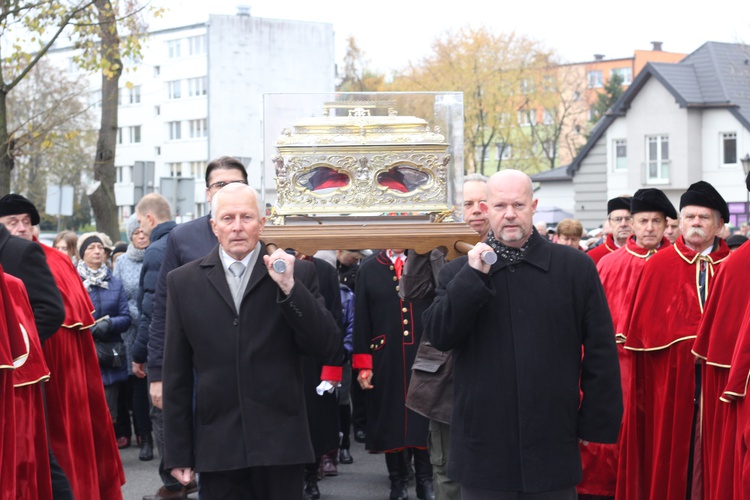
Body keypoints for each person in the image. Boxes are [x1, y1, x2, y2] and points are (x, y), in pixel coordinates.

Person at [423, 169, 622, 500]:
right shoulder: (458, 272)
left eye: (519, 204)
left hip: (552, 438)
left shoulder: (574, 267)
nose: (510, 214)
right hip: (483, 443)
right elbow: (440, 335)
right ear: (487, 210)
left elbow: (601, 349)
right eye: (500, 206)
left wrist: (594, 423)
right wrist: (473, 278)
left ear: (534, 206)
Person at [162, 182, 340, 499]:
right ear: (214, 226)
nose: (238, 227)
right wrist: (177, 452)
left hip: (281, 442)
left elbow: (326, 346)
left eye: (246, 217)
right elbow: (175, 375)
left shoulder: (296, 274)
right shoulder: (183, 282)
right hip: (218, 445)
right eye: (228, 218)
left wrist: (289, 288)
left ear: (262, 222)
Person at [0, 194, 126, 500]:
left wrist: (21, 351)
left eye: (26, 222)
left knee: (38, 450)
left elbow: (49, 311)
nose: (20, 227)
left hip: (30, 373)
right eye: (13, 221)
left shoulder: (27, 254)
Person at [618, 181, 731, 500]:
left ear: (719, 225)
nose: (695, 222)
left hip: (721, 389)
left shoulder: (734, 267)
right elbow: (643, 341)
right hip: (668, 389)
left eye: (704, 217)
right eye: (690, 216)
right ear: (679, 222)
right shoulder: (658, 267)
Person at [143, 158, 246, 500]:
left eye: (236, 183)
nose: (228, 190)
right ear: (207, 193)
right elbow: (163, 310)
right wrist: (157, 373)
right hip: (201, 371)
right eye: (220, 185)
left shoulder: (259, 231)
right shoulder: (183, 238)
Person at [578, 188, 676, 499]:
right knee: (614, 444)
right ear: (631, 223)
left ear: (665, 225)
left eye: (656, 221)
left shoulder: (677, 263)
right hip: (618, 373)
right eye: (643, 221)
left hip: (663, 374)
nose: (649, 228)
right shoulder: (608, 265)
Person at [405, 173, 491, 500]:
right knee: (447, 470)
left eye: (484, 202)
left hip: (491, 368)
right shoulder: (438, 247)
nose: (477, 210)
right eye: (468, 203)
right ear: (456, 209)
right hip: (444, 376)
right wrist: (424, 243)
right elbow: (411, 292)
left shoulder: (507, 247)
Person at [353, 246, 434, 500]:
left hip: (423, 352)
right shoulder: (368, 266)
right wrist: (364, 364)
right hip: (385, 356)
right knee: (391, 419)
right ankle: (397, 482)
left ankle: (425, 482)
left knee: (424, 418)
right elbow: (362, 317)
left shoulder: (426, 260)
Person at [130, 193, 181, 499]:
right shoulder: (188, 240)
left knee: (162, 414)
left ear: (150, 219)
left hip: (164, 348)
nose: (139, 226)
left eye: (139, 220)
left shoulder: (157, 250)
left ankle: (175, 481)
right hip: (192, 345)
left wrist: (139, 354)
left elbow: (152, 310)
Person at [77, 232, 132, 426]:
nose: (97, 251)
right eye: (91, 248)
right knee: (85, 416)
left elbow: (126, 318)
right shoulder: (74, 283)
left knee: (109, 417)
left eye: (100, 247)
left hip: (109, 354)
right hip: (83, 354)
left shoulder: (114, 283)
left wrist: (109, 324)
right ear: (82, 254)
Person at [112, 214, 153, 460]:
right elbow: (118, 297)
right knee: (137, 387)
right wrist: (136, 316)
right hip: (131, 333)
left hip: (155, 328)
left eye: (144, 232)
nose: (141, 236)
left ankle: (161, 436)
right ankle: (145, 437)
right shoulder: (123, 262)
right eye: (136, 232)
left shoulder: (159, 256)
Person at [586, 195, 633, 264]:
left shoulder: (646, 253)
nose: (623, 224)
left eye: (628, 218)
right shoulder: (593, 256)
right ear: (610, 222)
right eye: (618, 219)